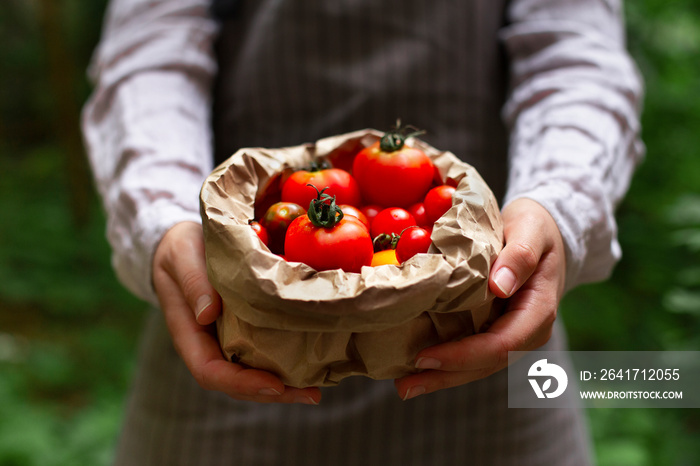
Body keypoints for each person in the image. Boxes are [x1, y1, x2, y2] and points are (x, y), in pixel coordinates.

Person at [82, 0, 643, 464]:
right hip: (237, 323)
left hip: (487, 318)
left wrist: (557, 204)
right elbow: (149, 54)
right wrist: (163, 216)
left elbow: (575, 54)